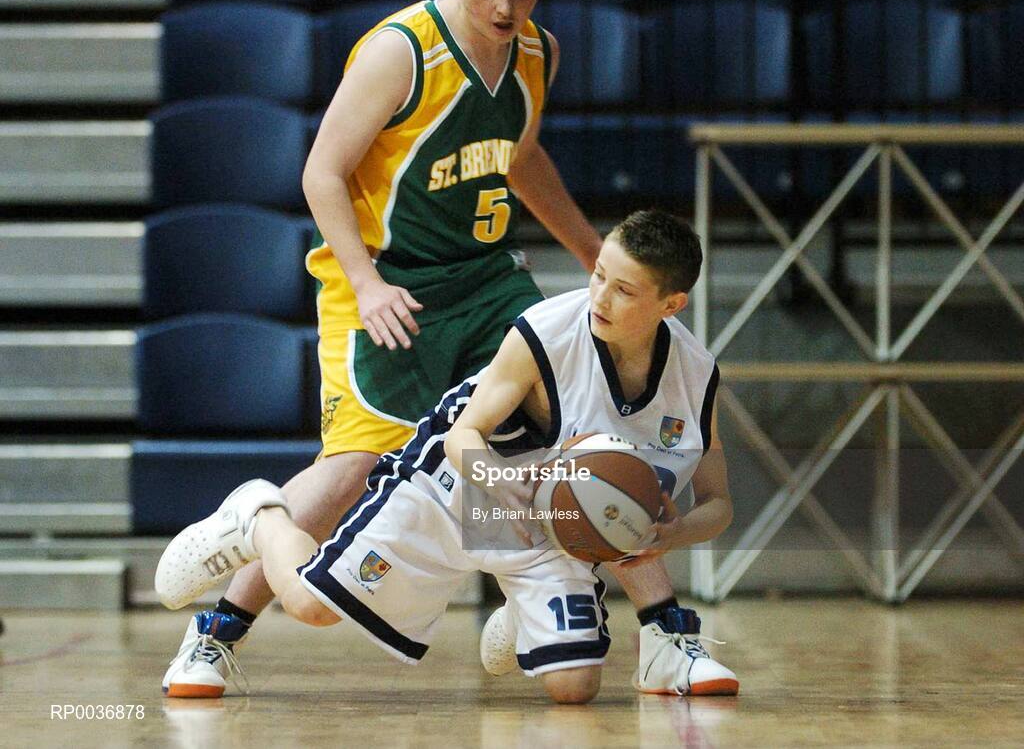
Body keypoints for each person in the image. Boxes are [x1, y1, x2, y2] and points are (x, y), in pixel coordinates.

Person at [160, 0, 603, 697]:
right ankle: (215, 628)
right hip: (388, 280)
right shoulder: (403, 52)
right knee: (352, 472)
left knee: (550, 431)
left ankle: (553, 602)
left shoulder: (540, 51)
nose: (506, 9)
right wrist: (366, 284)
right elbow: (320, 173)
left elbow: (521, 155)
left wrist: (592, 252)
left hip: (485, 276)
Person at [156, 211, 738, 702]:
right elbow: (464, 435)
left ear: (672, 303)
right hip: (456, 484)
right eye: (598, 275)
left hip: (547, 516)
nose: (599, 297)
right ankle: (259, 519)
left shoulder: (695, 376)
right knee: (310, 606)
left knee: (575, 687)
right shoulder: (546, 330)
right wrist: (500, 480)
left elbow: (718, 504)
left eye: (624, 290)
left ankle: (533, 612)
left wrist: (672, 532)